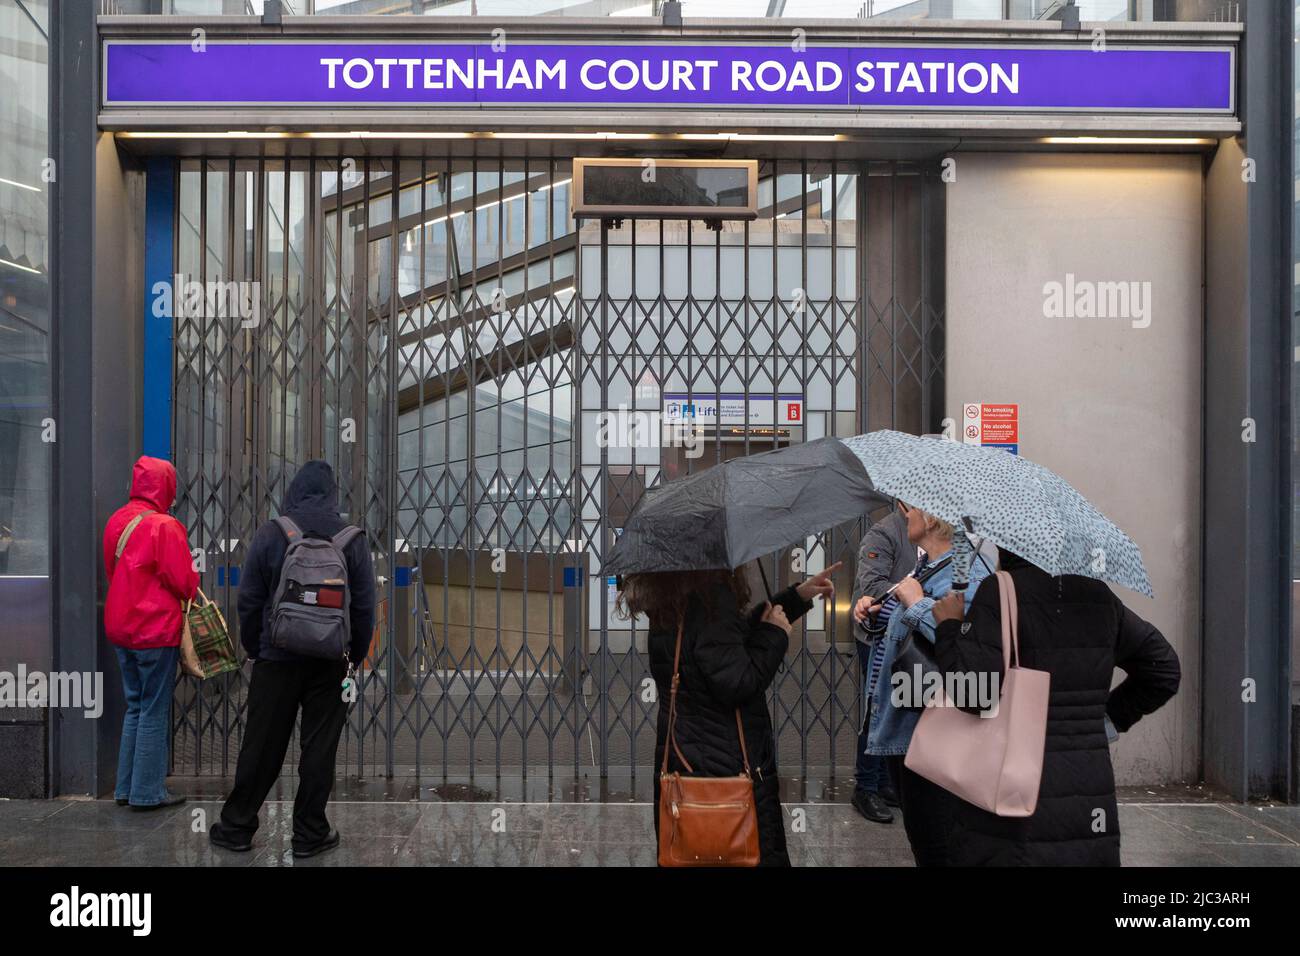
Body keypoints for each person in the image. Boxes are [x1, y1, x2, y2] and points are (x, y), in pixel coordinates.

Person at [930, 547, 1180, 866]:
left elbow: (974, 694)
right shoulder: (1099, 595)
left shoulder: (1001, 591)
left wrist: (949, 628)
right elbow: (1164, 669)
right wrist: (1105, 720)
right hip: (1090, 793)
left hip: (1014, 794)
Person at [619, 561, 841, 866]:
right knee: (741, 852)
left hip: (686, 757)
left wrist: (795, 598)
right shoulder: (712, 598)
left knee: (692, 852)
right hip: (723, 764)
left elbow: (723, 645)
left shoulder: (672, 597)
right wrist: (774, 635)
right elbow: (738, 681)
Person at [209, 460, 375, 858]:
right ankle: (309, 833)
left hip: (276, 658)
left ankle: (236, 827)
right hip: (330, 661)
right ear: (333, 494)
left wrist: (255, 647)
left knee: (263, 745)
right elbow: (365, 609)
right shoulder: (353, 540)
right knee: (319, 749)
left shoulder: (272, 533)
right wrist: (356, 656)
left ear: (294, 490)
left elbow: (248, 600)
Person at [853, 501, 990, 866]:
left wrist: (914, 605)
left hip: (936, 737)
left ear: (930, 518)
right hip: (913, 730)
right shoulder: (932, 566)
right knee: (927, 843)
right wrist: (877, 615)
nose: (905, 516)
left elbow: (968, 646)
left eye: (911, 510)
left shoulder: (967, 574)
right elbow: (910, 639)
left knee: (938, 848)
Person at [102, 456, 199, 810]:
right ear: (166, 486)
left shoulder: (116, 521)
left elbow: (114, 571)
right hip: (154, 630)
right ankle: (147, 793)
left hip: (120, 626)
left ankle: (125, 788)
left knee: (135, 707)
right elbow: (185, 582)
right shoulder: (165, 526)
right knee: (155, 710)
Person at [849, 508, 913, 824]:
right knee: (878, 705)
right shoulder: (885, 532)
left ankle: (888, 784)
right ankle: (866, 786)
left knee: (900, 706)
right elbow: (872, 584)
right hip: (878, 634)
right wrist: (916, 599)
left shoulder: (940, 532)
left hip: (914, 635)